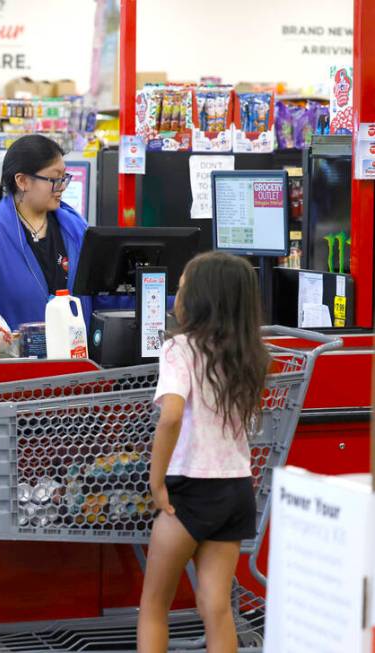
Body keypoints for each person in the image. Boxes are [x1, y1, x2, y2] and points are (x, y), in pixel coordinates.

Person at [137, 252, 269, 653]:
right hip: (235, 490)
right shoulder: (248, 354)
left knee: (153, 605)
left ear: (200, 299)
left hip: (190, 490)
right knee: (216, 607)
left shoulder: (180, 349)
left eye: (180, 287)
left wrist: (156, 481)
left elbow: (172, 415)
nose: (176, 295)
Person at [0, 134, 87, 330]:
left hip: (76, 356)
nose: (62, 187)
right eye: (54, 179)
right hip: (14, 358)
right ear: (23, 181)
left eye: (64, 178)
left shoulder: (76, 228)